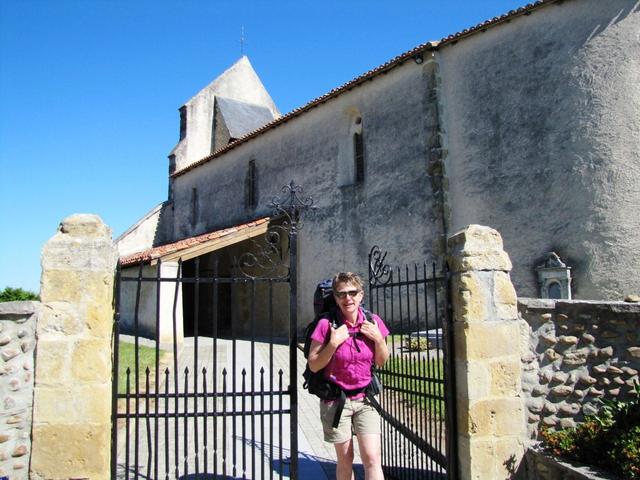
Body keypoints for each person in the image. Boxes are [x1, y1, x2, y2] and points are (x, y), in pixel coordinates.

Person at [308, 272, 390, 480]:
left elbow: (381, 361)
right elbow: (314, 365)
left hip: (366, 399)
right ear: (335, 298)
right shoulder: (326, 324)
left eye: (353, 293)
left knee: (372, 458)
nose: (348, 298)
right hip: (336, 401)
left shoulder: (372, 321)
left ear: (361, 295)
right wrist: (333, 343)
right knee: (345, 459)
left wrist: (379, 340)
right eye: (341, 294)